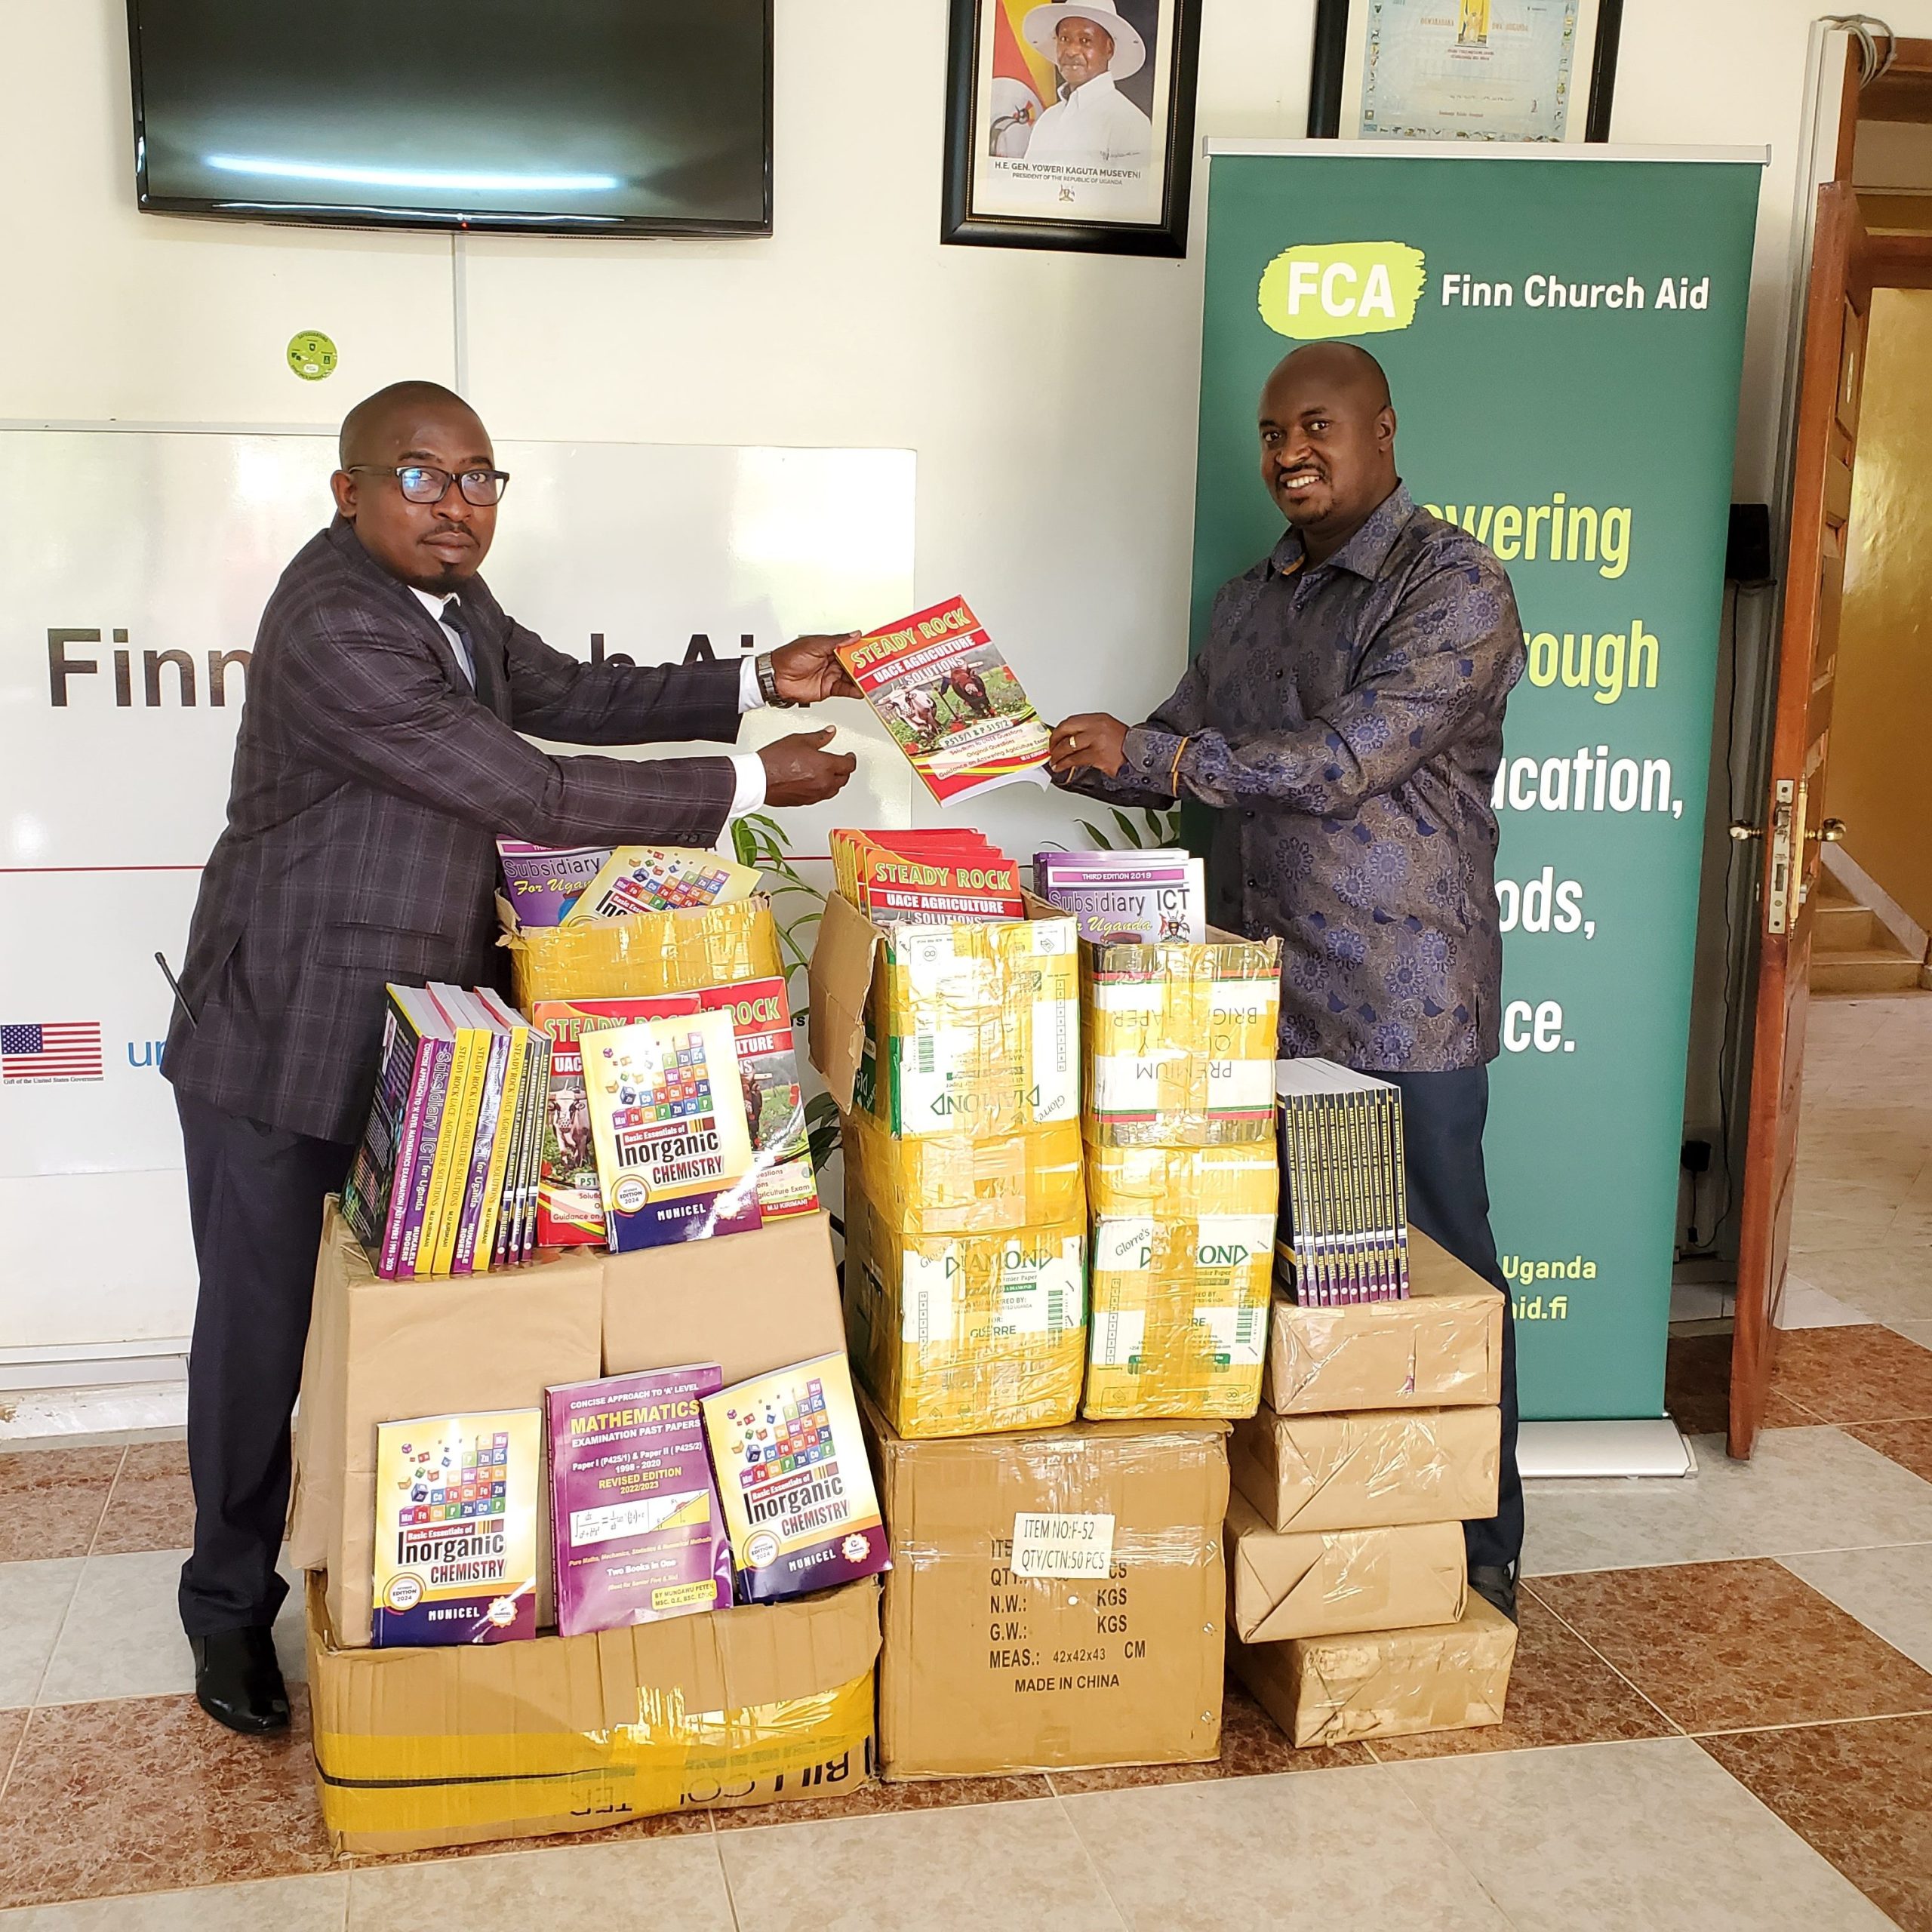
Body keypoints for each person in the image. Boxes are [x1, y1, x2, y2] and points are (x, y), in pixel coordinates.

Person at [162, 379, 860, 1734]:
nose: (458, 505)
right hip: (287, 1028)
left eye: (479, 478)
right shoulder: (333, 624)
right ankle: (226, 1611)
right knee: (260, 1335)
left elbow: (557, 690)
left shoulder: (452, 600)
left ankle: (430, 1582)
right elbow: (528, 786)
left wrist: (754, 680)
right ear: (347, 490)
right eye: (423, 478)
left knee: (448, 1327)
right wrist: (756, 783)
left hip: (439, 1031)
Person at [1049, 341, 1527, 1620]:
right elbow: (1175, 745)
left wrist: (1165, 752)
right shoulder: (1247, 598)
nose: (1288, 453)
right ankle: (1310, 1525)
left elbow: (1339, 763)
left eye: (1315, 425)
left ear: (1381, 430)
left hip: (1401, 995)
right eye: (1271, 434)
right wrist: (1061, 748)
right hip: (1251, 996)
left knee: (1439, 1272)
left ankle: (1476, 1541)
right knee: (1268, 1274)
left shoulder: (1457, 585)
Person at [1019, 0, 1153, 171]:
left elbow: (1131, 195)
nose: (1071, 51)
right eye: (1065, 39)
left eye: (1085, 40)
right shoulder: (1048, 119)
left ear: (1109, 49)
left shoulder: (1130, 123)